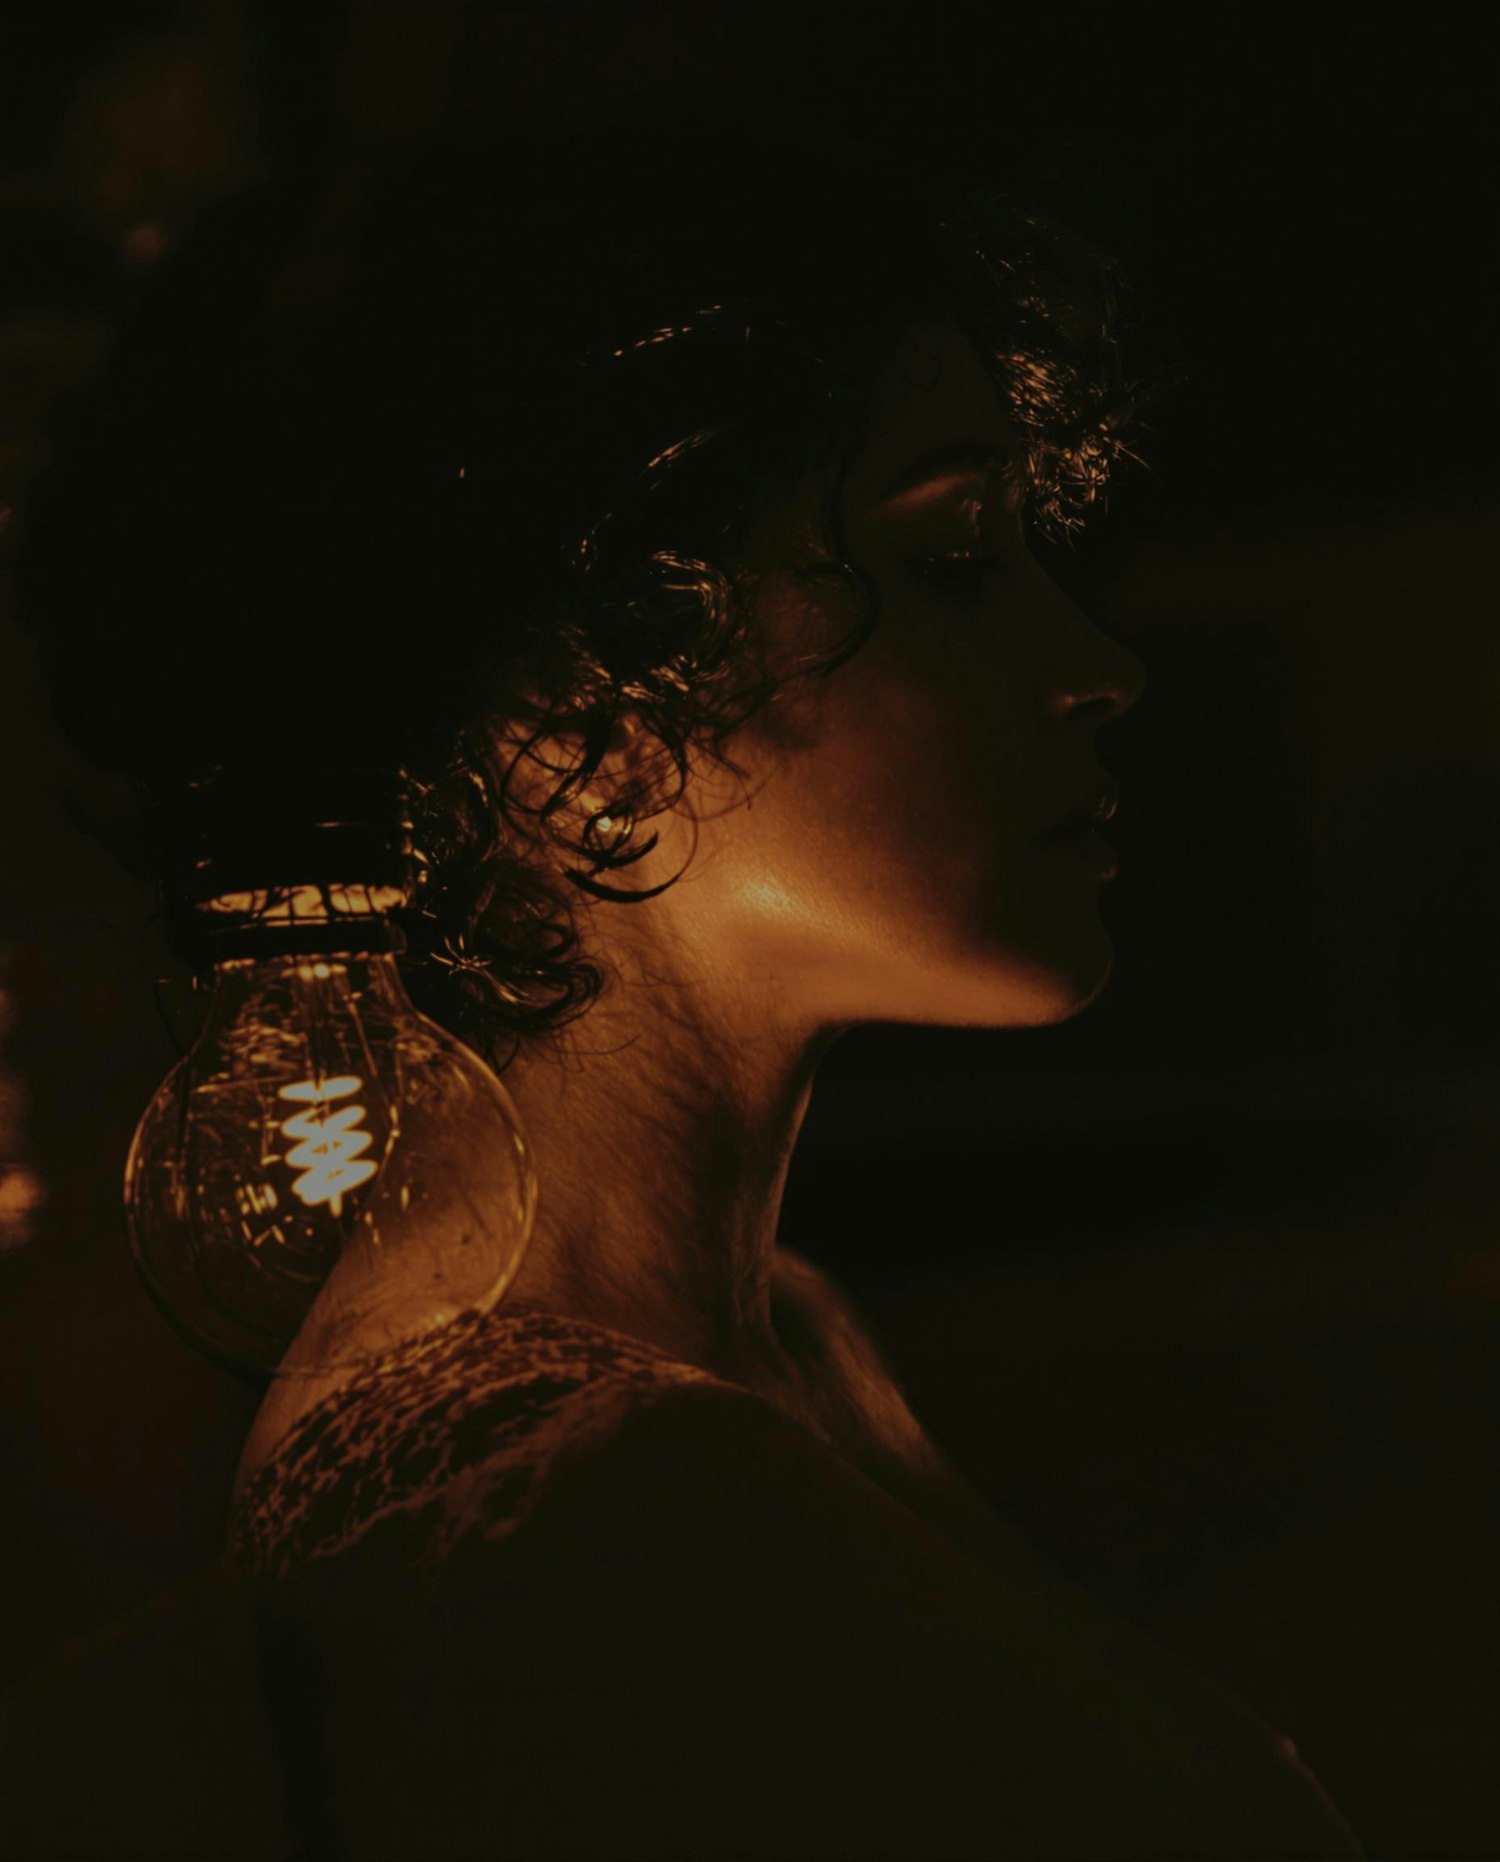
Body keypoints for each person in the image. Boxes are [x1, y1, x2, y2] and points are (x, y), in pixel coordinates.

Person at [2, 110, 1365, 1859]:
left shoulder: (779, 1337)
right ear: (581, 731)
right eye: (955, 559)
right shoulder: (587, 1496)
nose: (1096, 665)